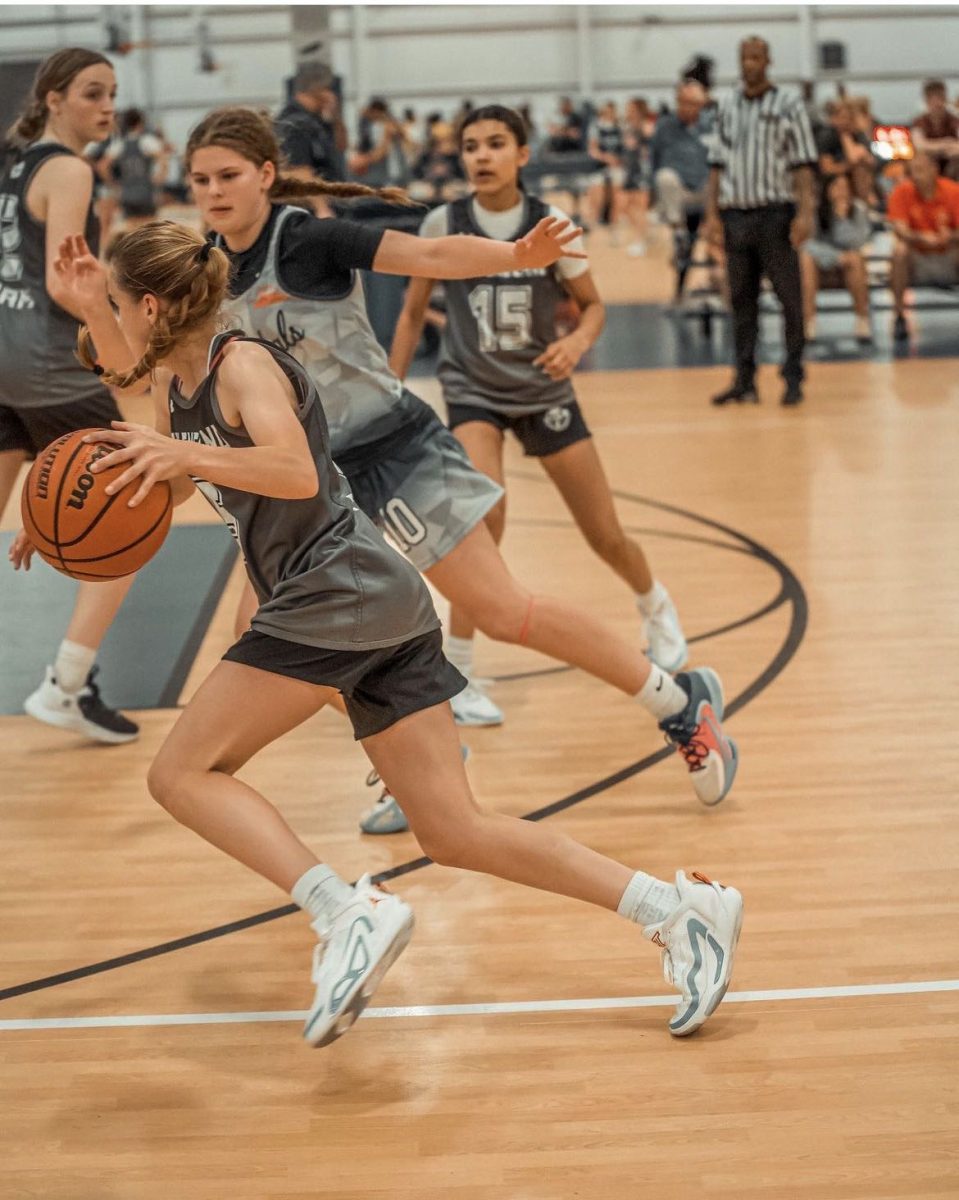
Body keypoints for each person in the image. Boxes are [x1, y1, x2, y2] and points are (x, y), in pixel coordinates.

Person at [17, 219, 745, 1047]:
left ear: (150, 306)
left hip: (333, 595)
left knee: (181, 773)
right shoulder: (176, 385)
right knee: (454, 831)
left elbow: (289, 470)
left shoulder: (242, 363)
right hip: (367, 601)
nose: (104, 317)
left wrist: (185, 460)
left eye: (114, 303)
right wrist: (78, 512)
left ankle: (344, 911)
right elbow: (182, 479)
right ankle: (681, 911)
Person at [183, 107, 736, 833]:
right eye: (199, 180)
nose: (213, 192)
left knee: (504, 610)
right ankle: (417, 757)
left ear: (263, 175)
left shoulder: (311, 241)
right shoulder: (204, 266)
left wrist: (516, 256)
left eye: (227, 176)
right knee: (267, 639)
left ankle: (678, 699)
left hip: (390, 451)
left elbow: (432, 259)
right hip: (313, 484)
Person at [391, 103, 689, 720]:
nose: (480, 155)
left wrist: (577, 342)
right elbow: (414, 310)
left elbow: (593, 306)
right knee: (480, 526)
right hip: (473, 390)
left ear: (523, 155)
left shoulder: (553, 225)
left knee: (604, 534)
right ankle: (462, 673)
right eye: (471, 145)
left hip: (544, 392)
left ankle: (654, 603)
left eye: (495, 143)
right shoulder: (445, 221)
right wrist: (392, 388)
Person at [0, 48, 143, 743]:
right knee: (135, 509)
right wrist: (121, 342)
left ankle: (71, 683)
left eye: (112, 93)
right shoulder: (68, 169)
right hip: (49, 366)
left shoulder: (12, 160)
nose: (106, 106)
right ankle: (68, 682)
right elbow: (63, 282)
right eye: (91, 92)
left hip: (3, 359)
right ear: (54, 98)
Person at [704, 36, 817, 407]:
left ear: (767, 60)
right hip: (736, 215)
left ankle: (793, 376)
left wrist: (805, 212)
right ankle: (744, 379)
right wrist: (711, 215)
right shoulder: (727, 104)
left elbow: (802, 164)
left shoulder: (788, 104)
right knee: (741, 301)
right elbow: (716, 165)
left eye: (755, 56)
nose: (749, 63)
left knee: (789, 299)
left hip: (775, 214)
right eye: (743, 56)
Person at [886, 151, 959, 340]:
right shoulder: (901, 192)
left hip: (949, 256)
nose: (916, 175)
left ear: (934, 170)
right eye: (913, 171)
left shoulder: (953, 191)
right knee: (899, 251)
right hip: (917, 258)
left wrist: (950, 236)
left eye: (920, 170)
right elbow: (900, 229)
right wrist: (921, 237)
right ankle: (899, 316)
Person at [800, 173, 873, 343]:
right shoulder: (816, 210)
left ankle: (862, 321)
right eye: (837, 187)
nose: (842, 192)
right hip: (822, 264)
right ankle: (809, 322)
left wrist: (842, 219)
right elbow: (807, 244)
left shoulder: (859, 210)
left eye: (845, 188)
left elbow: (859, 241)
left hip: (850, 265)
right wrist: (836, 257)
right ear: (827, 190)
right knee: (805, 258)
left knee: (855, 258)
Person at [649, 81, 711, 271]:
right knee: (664, 177)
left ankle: (712, 231)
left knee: (719, 177)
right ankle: (678, 232)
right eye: (683, 102)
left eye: (693, 104)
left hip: (705, 190)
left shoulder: (711, 126)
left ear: (701, 105)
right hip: (678, 192)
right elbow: (654, 160)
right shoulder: (665, 127)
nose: (687, 108)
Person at [275, 61, 347, 195]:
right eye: (328, 88)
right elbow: (299, 172)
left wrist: (336, 115)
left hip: (334, 197)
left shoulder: (316, 121)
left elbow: (341, 147)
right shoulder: (296, 124)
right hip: (318, 204)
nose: (332, 94)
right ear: (318, 88)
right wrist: (322, 209)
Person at [105, 108, 165, 229]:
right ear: (140, 122)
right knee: (150, 229)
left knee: (132, 231)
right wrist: (160, 176)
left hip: (127, 193)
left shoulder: (119, 144)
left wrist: (113, 183)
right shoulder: (147, 141)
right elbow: (163, 159)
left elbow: (104, 165)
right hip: (145, 191)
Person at [816, 100, 877, 206]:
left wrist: (847, 139)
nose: (846, 122)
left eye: (849, 118)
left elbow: (870, 160)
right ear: (834, 118)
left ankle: (867, 203)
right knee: (843, 181)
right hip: (831, 180)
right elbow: (827, 169)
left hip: (855, 178)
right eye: (843, 117)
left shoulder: (858, 135)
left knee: (863, 171)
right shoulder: (827, 136)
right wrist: (850, 165)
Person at [586, 101, 627, 241]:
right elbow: (592, 150)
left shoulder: (619, 127)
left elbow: (625, 147)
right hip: (599, 167)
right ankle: (590, 230)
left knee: (617, 199)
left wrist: (618, 159)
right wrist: (605, 158)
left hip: (616, 167)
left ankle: (614, 229)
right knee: (597, 199)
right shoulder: (596, 126)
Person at [621, 98, 655, 257]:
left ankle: (641, 240)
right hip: (630, 170)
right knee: (627, 206)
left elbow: (651, 147)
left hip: (643, 171)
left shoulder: (646, 126)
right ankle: (645, 233)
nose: (627, 110)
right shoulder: (628, 127)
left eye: (630, 108)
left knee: (639, 207)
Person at [910, 80, 959, 183]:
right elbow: (920, 146)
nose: (937, 104)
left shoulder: (954, 121)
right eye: (933, 100)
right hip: (929, 164)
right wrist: (945, 143)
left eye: (940, 98)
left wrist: (933, 147)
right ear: (927, 101)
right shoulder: (919, 122)